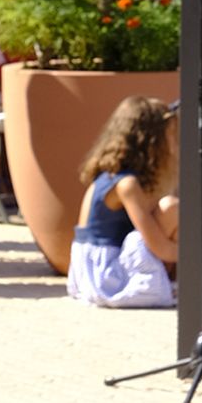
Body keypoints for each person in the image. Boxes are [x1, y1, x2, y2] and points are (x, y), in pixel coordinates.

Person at [66, 96, 179, 309]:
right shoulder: (126, 185)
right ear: (151, 142)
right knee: (171, 208)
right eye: (170, 137)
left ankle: (167, 282)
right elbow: (160, 246)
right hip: (105, 276)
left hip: (88, 270)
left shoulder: (108, 175)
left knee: (166, 209)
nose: (174, 145)